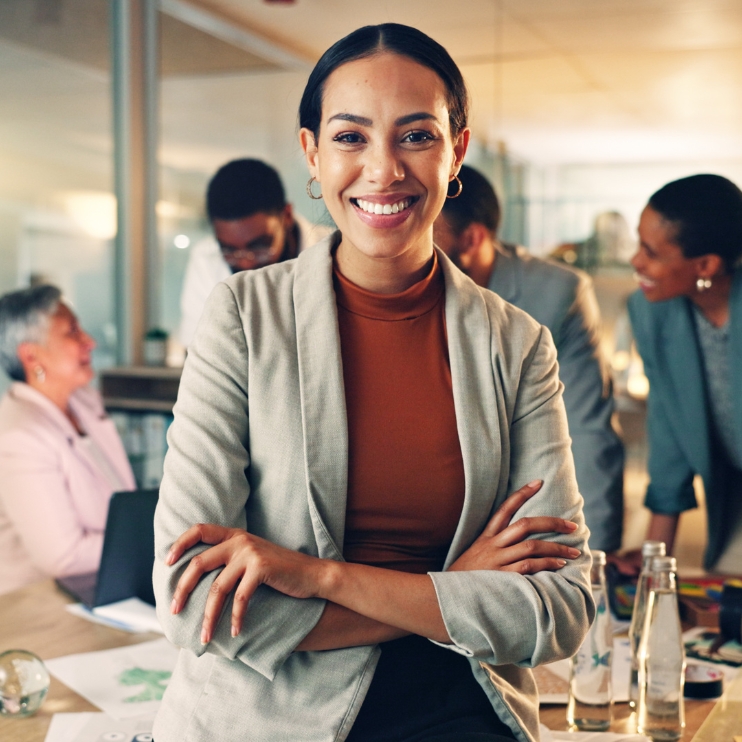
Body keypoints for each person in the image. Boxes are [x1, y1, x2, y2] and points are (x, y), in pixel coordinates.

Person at [153, 24, 593, 742]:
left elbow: (559, 610)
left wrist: (320, 577)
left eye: (416, 135)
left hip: (459, 704)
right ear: (312, 154)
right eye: (351, 137)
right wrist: (453, 590)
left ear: (457, 152)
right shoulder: (242, 316)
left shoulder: (517, 345)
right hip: (267, 714)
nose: (384, 169)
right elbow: (192, 598)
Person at [434, 164, 625, 554]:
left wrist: (595, 562)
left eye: (425, 233)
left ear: (471, 238)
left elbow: (589, 434)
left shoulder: (557, 295)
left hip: (519, 514)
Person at [628, 174, 742, 574]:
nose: (635, 261)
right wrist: (652, 569)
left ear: (706, 265)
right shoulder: (651, 311)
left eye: (651, 252)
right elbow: (668, 429)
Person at [0, 285, 135, 595]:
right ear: (31, 355)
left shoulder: (83, 402)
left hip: (107, 585)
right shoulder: (20, 435)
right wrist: (150, 537)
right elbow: (63, 556)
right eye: (72, 332)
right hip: (42, 607)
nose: (90, 341)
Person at [179, 158, 332, 347]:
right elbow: (195, 349)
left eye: (260, 246)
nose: (246, 264)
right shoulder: (206, 258)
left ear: (287, 216)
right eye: (229, 250)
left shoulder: (335, 251)